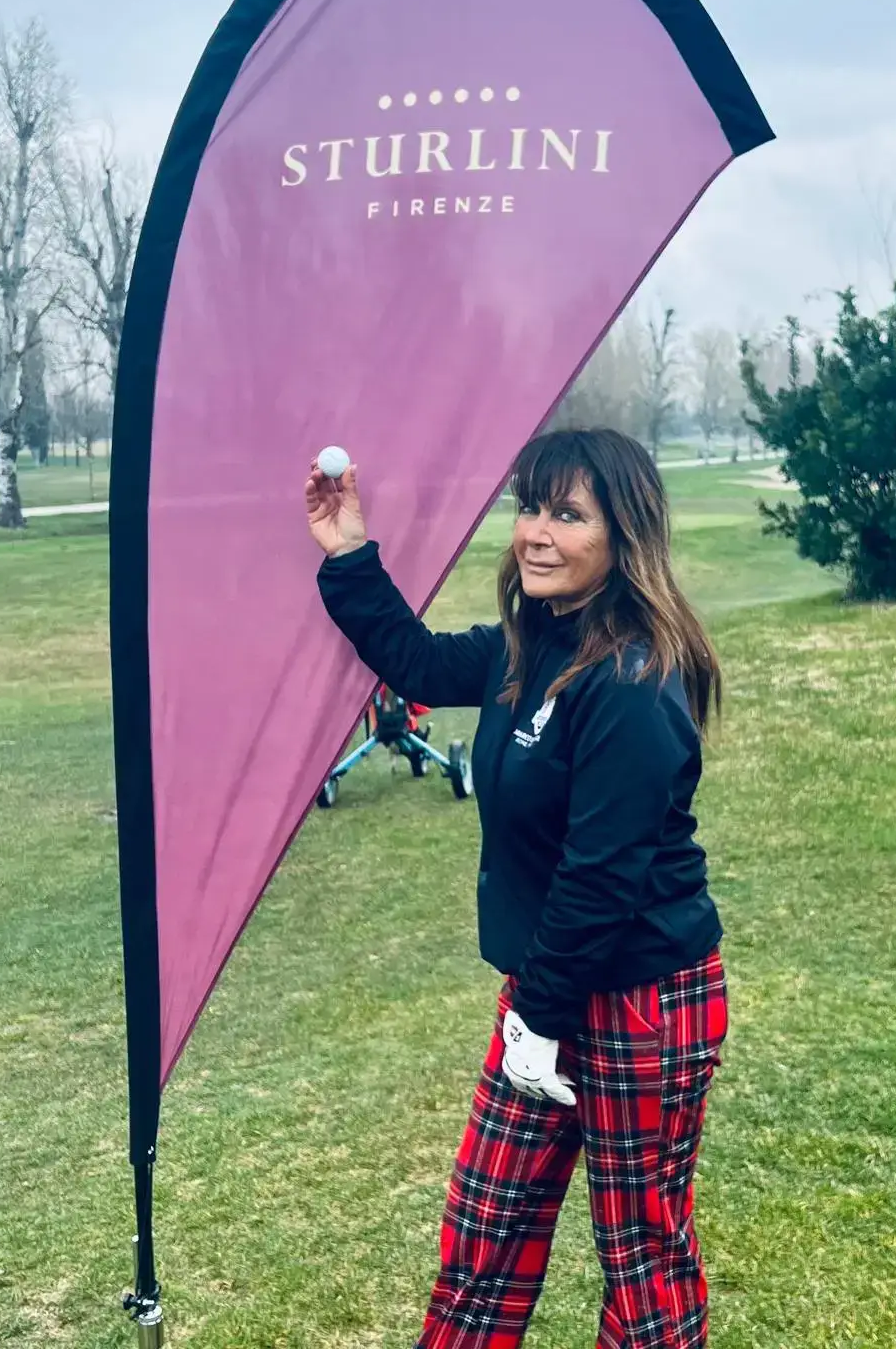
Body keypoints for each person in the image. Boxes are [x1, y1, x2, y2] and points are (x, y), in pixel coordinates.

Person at [305, 427, 729, 1349]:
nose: (535, 532)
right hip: (547, 984)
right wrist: (348, 552)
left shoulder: (633, 678)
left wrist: (535, 1019)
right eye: (530, 507)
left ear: (624, 536)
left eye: (567, 514)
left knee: (641, 1260)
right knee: (485, 1233)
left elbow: (602, 876)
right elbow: (417, 662)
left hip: (643, 999)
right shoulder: (527, 646)